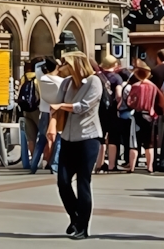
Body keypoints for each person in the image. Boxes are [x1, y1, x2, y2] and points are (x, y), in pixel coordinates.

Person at [50, 51, 103, 239]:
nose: (61, 67)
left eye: (64, 63)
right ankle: (75, 217)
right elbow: (55, 106)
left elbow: (84, 106)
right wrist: (52, 127)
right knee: (63, 181)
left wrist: (62, 107)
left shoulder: (93, 82)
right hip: (68, 138)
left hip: (88, 139)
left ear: (75, 64)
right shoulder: (66, 83)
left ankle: (83, 227)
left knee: (83, 182)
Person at [32, 56, 64, 174]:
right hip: (57, 111)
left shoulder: (41, 77)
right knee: (59, 138)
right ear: (57, 67)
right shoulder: (62, 81)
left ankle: (34, 164)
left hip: (44, 110)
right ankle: (55, 165)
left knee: (41, 139)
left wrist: (45, 61)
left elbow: (37, 66)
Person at [95, 56, 125, 173]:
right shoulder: (117, 78)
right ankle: (112, 165)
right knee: (113, 137)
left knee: (100, 137)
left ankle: (99, 164)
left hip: (99, 110)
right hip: (112, 111)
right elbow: (118, 94)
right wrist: (118, 105)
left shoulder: (98, 77)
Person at [15, 66, 40, 171]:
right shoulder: (39, 78)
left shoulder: (24, 77)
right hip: (37, 110)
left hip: (26, 110)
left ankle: (34, 161)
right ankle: (47, 161)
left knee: (31, 137)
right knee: (44, 136)